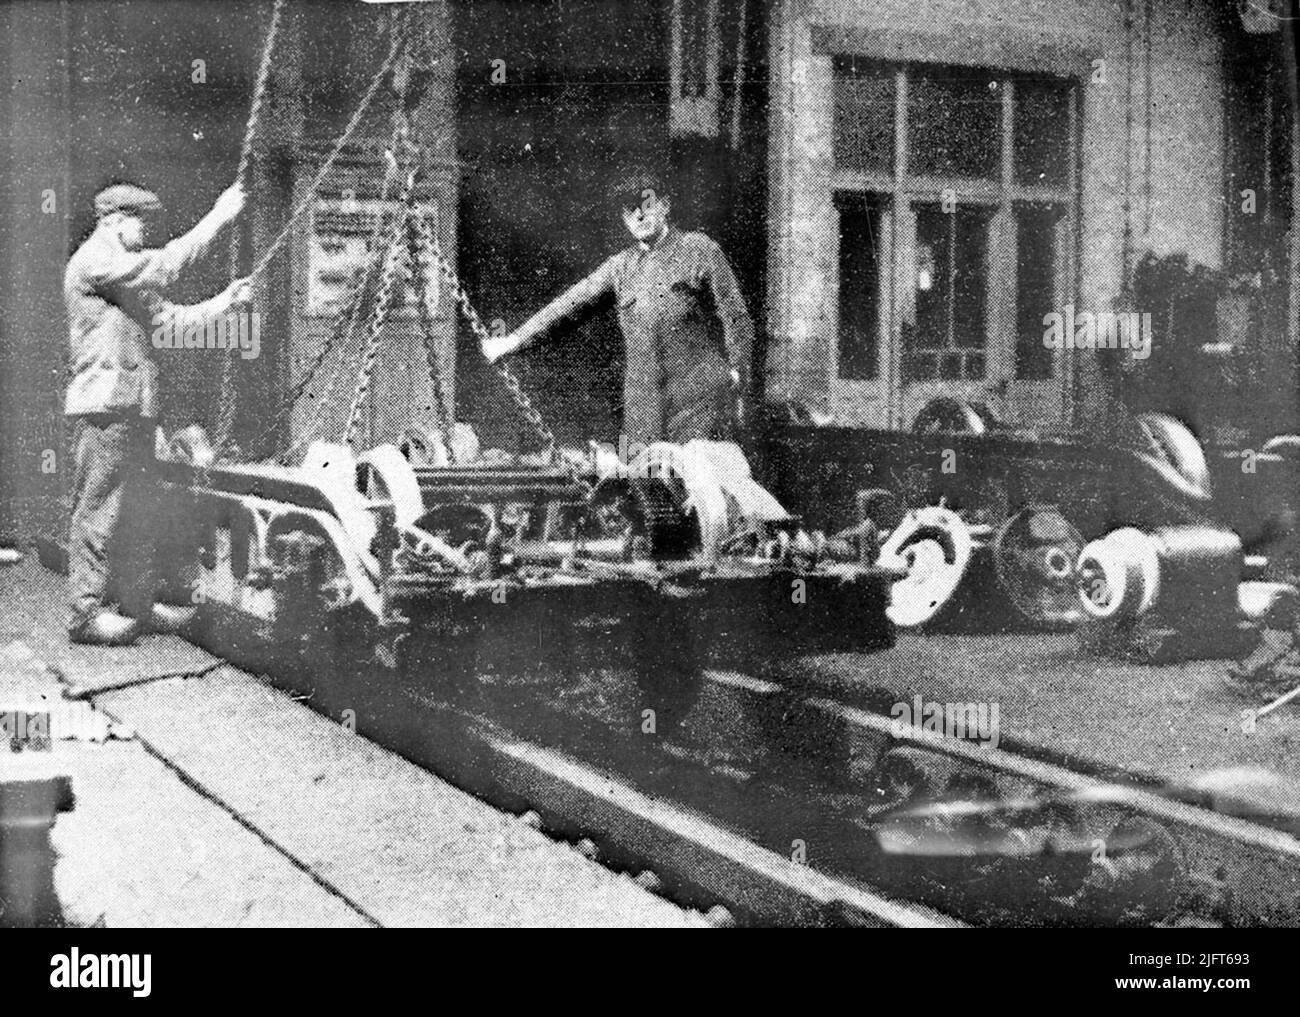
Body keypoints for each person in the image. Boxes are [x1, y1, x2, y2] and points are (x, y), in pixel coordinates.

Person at [64, 180, 252, 645]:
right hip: (106, 405)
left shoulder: (124, 270)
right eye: (140, 224)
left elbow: (169, 321)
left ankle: (137, 605)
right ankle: (85, 615)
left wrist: (224, 303)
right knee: (99, 507)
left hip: (134, 406)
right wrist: (219, 215)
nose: (145, 234)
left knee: (139, 510)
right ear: (115, 220)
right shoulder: (96, 260)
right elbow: (164, 266)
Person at [480, 170, 754, 447]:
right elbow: (570, 304)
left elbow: (735, 315)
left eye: (646, 204)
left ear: (665, 206)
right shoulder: (620, 267)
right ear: (624, 220)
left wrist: (736, 372)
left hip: (697, 401)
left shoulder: (697, 249)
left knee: (696, 480)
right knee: (640, 482)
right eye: (630, 210)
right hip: (643, 406)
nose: (639, 215)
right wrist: (514, 340)